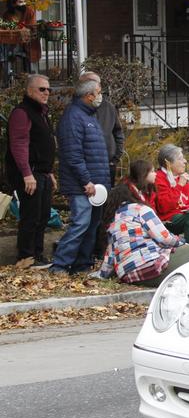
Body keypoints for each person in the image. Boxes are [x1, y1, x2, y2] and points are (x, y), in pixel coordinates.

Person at [99, 160, 189, 285]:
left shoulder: (116, 219)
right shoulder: (141, 210)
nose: (155, 174)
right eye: (152, 171)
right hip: (148, 267)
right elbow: (165, 239)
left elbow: (110, 252)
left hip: (127, 274)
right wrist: (183, 243)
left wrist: (101, 275)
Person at [50, 77, 112, 275]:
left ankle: (81, 265)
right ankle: (59, 265)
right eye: (99, 92)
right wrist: (86, 180)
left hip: (95, 185)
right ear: (89, 95)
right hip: (82, 185)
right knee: (81, 224)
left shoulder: (88, 115)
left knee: (92, 225)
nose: (101, 96)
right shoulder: (73, 117)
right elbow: (72, 154)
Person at [5, 74, 57, 269]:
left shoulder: (42, 112)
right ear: (29, 91)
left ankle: (37, 254)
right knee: (31, 215)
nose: (46, 93)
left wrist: (49, 171)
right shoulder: (22, 112)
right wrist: (27, 173)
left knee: (43, 215)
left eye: (48, 89)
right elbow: (19, 144)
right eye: (41, 89)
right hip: (29, 173)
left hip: (41, 172)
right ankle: (26, 256)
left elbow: (43, 145)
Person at [79, 71, 125, 262]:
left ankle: (101, 249)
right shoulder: (77, 110)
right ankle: (85, 253)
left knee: (105, 208)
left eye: (97, 87)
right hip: (86, 168)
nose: (95, 92)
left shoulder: (108, 107)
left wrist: (116, 156)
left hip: (107, 165)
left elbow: (118, 132)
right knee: (86, 210)